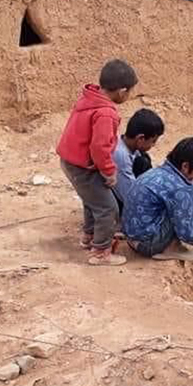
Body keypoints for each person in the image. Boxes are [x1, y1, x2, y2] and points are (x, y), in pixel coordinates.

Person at [57, 59, 138, 266]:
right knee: (108, 208)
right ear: (121, 91)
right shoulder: (105, 113)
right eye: (129, 92)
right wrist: (109, 172)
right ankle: (101, 252)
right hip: (83, 165)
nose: (128, 96)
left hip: (72, 161)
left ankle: (90, 235)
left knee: (92, 200)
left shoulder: (89, 99)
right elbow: (99, 147)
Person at [122, 137, 193, 261]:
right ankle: (171, 248)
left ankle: (167, 241)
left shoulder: (157, 172)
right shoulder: (180, 189)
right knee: (192, 193)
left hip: (131, 238)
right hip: (148, 245)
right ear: (185, 166)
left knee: (184, 200)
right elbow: (185, 232)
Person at [112, 108, 165, 211]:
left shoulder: (129, 145)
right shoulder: (121, 156)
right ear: (140, 139)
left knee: (143, 160)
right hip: (117, 196)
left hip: (121, 189)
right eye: (153, 141)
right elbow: (129, 195)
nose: (154, 145)